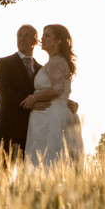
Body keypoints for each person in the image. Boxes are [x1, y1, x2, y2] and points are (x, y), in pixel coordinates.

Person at [22, 24, 84, 166]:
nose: (42, 38)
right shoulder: (53, 62)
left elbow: (57, 89)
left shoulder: (56, 61)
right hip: (51, 114)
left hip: (51, 117)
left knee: (49, 158)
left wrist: (33, 98)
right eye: (43, 35)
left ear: (58, 41)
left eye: (47, 35)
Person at [0, 25, 43, 161]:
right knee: (3, 177)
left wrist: (69, 103)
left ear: (36, 41)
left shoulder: (42, 70)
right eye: (19, 35)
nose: (22, 38)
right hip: (8, 128)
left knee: (28, 179)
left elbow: (52, 91)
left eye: (27, 35)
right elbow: (4, 92)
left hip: (33, 131)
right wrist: (31, 104)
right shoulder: (4, 63)